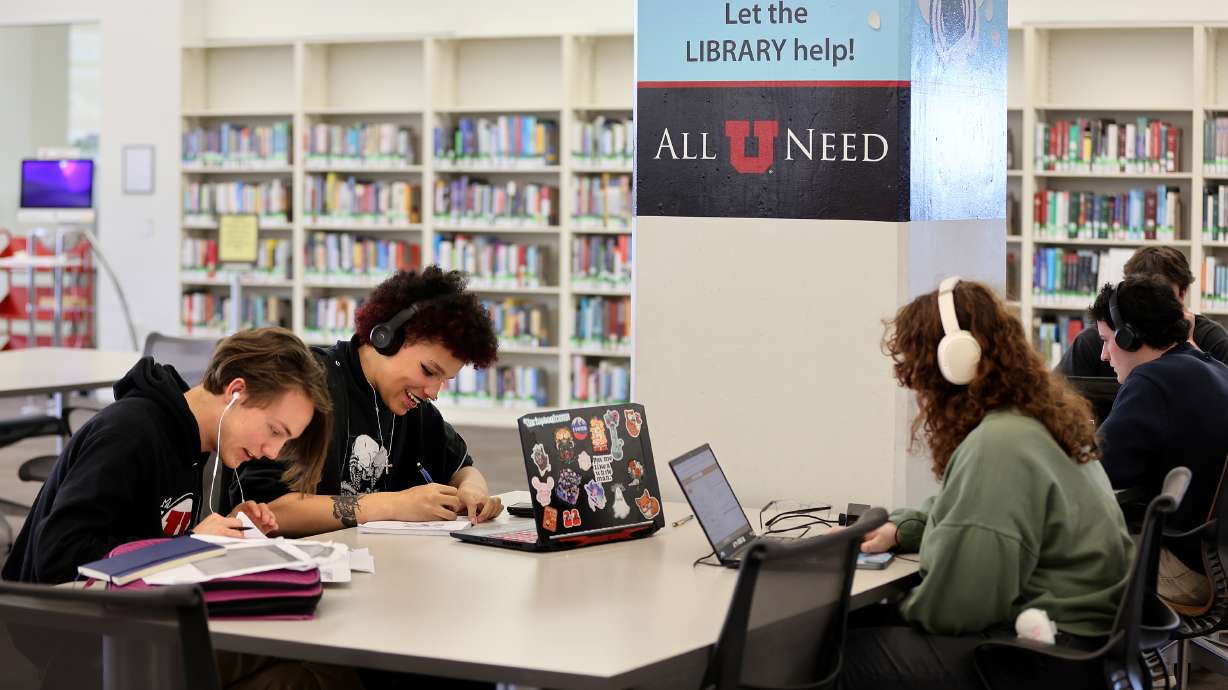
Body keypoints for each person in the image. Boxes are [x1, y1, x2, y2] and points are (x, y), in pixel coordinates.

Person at [839, 278, 1133, 690]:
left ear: (955, 363)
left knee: (827, 656)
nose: (910, 385)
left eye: (915, 368)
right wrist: (901, 529)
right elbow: (969, 510)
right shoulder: (1032, 422)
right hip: (1078, 644)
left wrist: (900, 607)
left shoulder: (999, 444)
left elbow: (957, 607)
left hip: (1039, 656)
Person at [2, 327, 332, 585]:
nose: (272, 452)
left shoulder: (200, 443)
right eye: (274, 431)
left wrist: (228, 530)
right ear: (235, 392)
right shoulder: (130, 431)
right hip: (52, 627)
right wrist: (191, 545)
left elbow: (141, 534)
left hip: (119, 616)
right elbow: (58, 558)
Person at [238, 266, 503, 538]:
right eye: (428, 371)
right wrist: (393, 505)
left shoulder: (415, 410)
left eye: (444, 379)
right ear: (386, 338)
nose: (434, 392)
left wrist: (473, 491)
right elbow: (267, 511)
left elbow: (463, 468)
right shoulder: (306, 389)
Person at [1091, 276, 1228, 611]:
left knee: (1060, 560)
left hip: (1190, 573)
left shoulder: (1151, 381)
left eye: (1107, 341)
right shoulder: (1217, 370)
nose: (1103, 355)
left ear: (1130, 336)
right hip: (1220, 562)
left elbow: (1096, 472)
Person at [1057, 245, 1228, 377]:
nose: (1147, 306)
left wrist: (1188, 346)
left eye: (1160, 296)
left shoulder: (1211, 338)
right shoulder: (1095, 342)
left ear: (1182, 293)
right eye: (1137, 296)